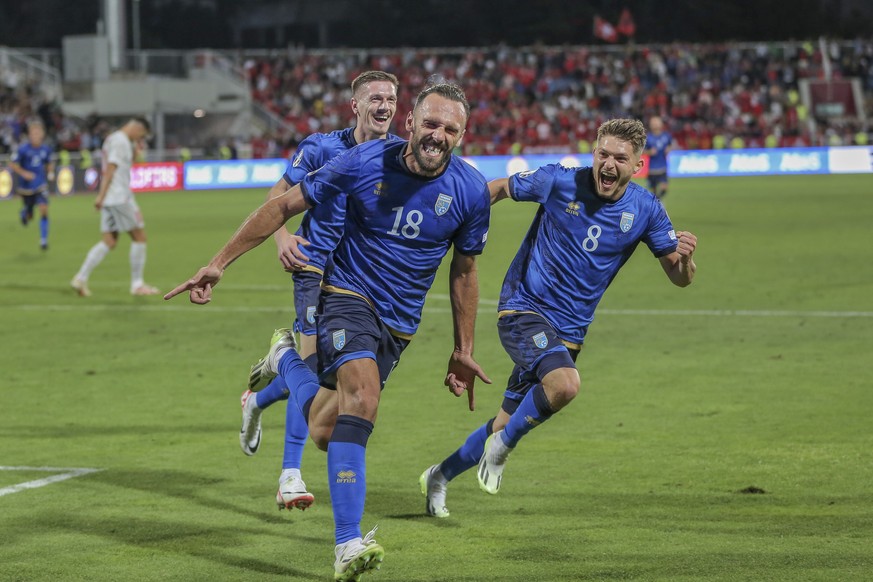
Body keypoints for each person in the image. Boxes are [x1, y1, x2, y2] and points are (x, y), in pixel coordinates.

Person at [165, 82, 492, 581]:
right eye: (430, 124)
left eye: (450, 129)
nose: (437, 136)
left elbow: (464, 271)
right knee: (362, 398)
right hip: (345, 296)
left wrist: (462, 349)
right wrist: (218, 264)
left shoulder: (470, 190)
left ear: (462, 135)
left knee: (324, 429)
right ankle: (347, 544)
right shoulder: (361, 162)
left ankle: (284, 360)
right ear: (410, 124)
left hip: (399, 324)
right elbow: (282, 205)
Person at [419, 118, 698, 518]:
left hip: (568, 333)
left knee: (504, 422)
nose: (609, 163)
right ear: (594, 153)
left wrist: (686, 260)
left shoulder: (645, 209)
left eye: (620, 158)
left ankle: (439, 476)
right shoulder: (558, 181)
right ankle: (502, 449)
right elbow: (498, 189)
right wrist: (457, 219)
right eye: (603, 154)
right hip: (523, 310)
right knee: (565, 385)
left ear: (637, 165)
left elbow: (679, 277)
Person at [238, 70, 401, 515]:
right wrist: (282, 237)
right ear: (356, 106)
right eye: (374, 98)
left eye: (390, 97)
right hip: (315, 268)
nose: (383, 105)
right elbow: (280, 191)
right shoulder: (323, 147)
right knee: (316, 372)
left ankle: (260, 392)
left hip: (363, 282)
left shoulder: (397, 155)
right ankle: (290, 474)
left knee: (322, 382)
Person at [70, 117, 159, 297]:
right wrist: (100, 196)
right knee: (140, 237)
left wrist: (136, 148)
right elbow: (110, 168)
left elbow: (127, 164)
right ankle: (137, 284)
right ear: (136, 127)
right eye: (142, 134)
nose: (141, 137)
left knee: (109, 241)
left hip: (113, 197)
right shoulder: (120, 141)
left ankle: (80, 278)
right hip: (119, 197)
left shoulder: (115, 139)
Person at [10, 120, 54, 250]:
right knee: (30, 216)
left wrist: (50, 171)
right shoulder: (23, 149)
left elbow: (49, 162)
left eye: (38, 133)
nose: (35, 135)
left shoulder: (46, 149)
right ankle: (24, 213)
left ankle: (43, 240)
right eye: (33, 133)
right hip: (26, 187)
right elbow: (12, 164)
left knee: (44, 209)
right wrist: (24, 173)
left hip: (40, 184)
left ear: (42, 134)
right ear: (29, 135)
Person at [644, 116, 673, 200]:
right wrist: (649, 152)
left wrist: (668, 149)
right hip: (652, 169)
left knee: (664, 188)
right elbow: (642, 151)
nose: (655, 125)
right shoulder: (648, 138)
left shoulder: (666, 136)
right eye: (653, 123)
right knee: (653, 190)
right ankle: (656, 202)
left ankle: (658, 200)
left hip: (663, 167)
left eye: (657, 122)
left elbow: (670, 145)